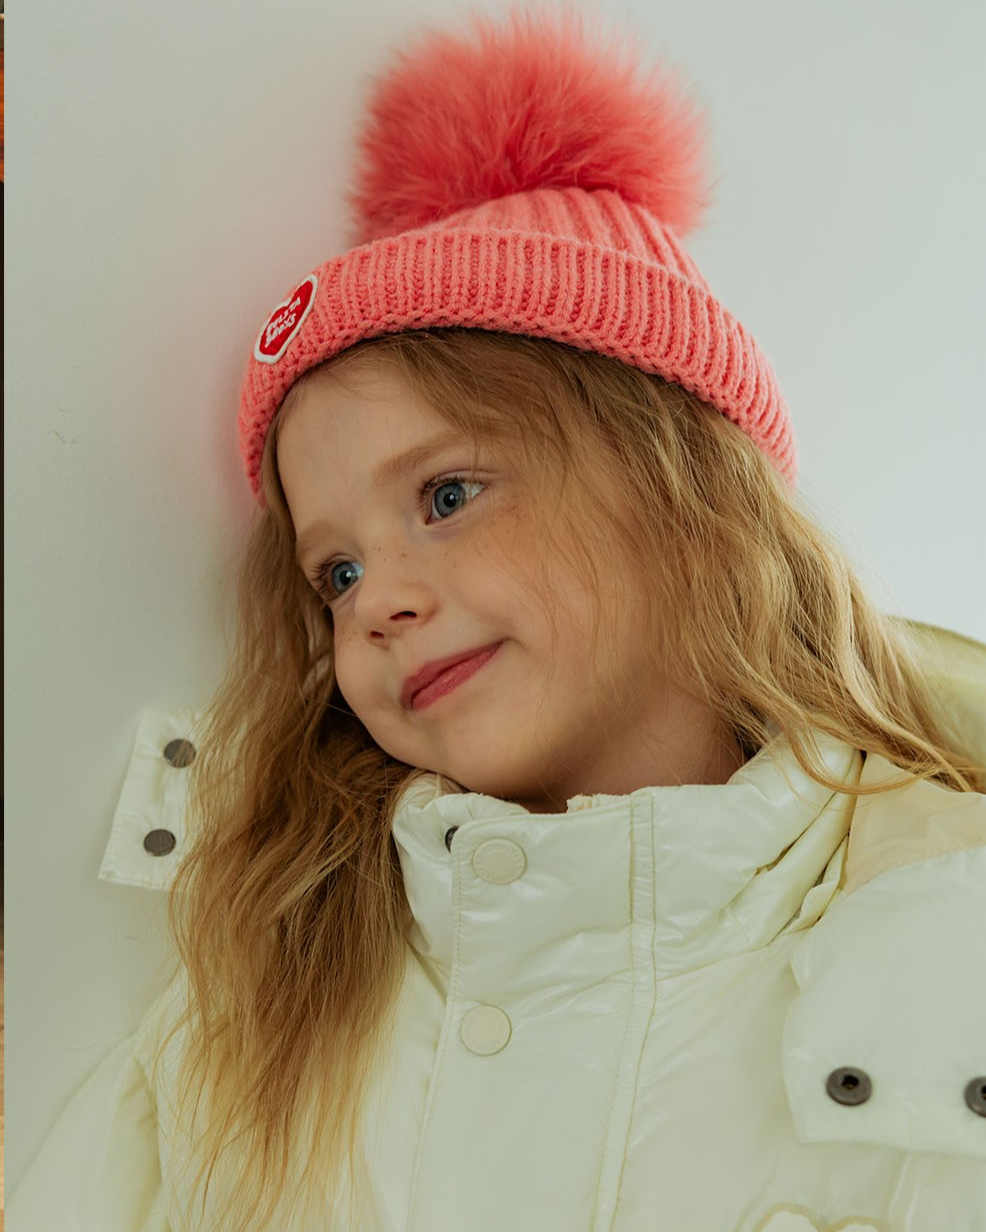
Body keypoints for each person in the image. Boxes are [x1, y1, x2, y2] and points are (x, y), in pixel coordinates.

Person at [10, 4, 986, 1231]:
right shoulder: (253, 1014)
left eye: (448, 494)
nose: (381, 603)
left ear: (681, 490)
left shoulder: (954, 935)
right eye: (336, 574)